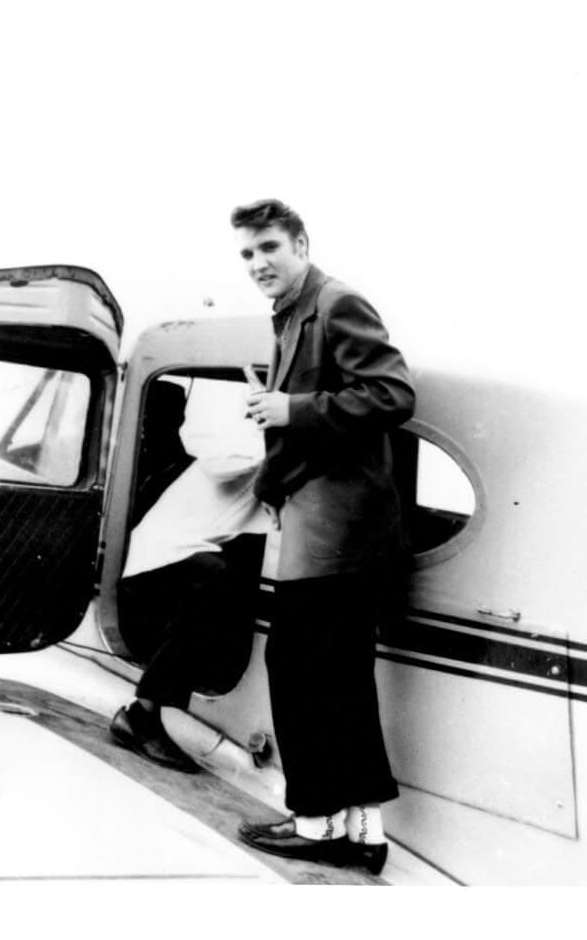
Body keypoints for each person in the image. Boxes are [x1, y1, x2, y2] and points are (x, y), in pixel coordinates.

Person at [231, 199, 416, 875]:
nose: (258, 264)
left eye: (269, 248)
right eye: (247, 254)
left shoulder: (336, 303)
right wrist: (271, 483)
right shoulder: (292, 315)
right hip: (327, 524)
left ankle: (315, 825)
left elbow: (394, 395)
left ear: (301, 243)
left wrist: (290, 408)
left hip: (340, 534)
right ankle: (364, 831)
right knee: (339, 677)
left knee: (297, 666)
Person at [109, 380, 270, 773]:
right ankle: (141, 716)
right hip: (150, 568)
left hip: (174, 562)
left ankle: (146, 712)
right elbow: (227, 462)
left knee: (222, 581)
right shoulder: (242, 449)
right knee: (217, 579)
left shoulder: (263, 453)